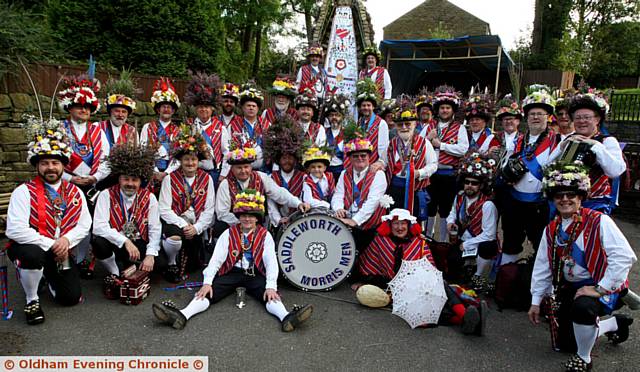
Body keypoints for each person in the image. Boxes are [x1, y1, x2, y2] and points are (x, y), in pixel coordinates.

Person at [152, 190, 313, 331]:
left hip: (254, 273)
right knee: (208, 291)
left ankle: (286, 317)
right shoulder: (229, 233)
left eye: (251, 216)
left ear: (257, 218)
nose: (247, 219)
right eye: (243, 215)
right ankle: (182, 315)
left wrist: (271, 285)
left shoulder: (265, 236)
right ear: (238, 216)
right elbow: (216, 260)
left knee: (269, 294)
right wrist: (207, 282)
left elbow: (271, 262)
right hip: (231, 272)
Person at [529, 162, 636, 372]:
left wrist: (599, 289)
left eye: (571, 194)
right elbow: (542, 266)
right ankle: (615, 323)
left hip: (600, 285)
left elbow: (624, 257)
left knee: (583, 310)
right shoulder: (552, 229)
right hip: (570, 286)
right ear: (552, 199)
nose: (565, 199)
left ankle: (584, 358)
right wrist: (535, 300)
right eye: (559, 195)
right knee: (566, 343)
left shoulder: (599, 221)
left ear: (580, 197)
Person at [6, 117, 91, 324]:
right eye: (44, 163)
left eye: (55, 162)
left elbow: (84, 224)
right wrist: (52, 243)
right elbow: (15, 230)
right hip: (35, 248)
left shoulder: (75, 191)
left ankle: (46, 276)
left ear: (63, 165)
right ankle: (31, 299)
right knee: (33, 255)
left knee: (70, 298)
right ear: (37, 166)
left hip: (61, 249)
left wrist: (66, 241)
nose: (50, 167)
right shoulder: (23, 192)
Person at [352, 209, 487, 335]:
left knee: (439, 285)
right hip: (394, 289)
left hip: (420, 282)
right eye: (396, 224)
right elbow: (369, 264)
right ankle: (468, 320)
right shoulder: (380, 241)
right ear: (389, 225)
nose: (400, 228)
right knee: (421, 312)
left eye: (403, 223)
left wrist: (420, 281)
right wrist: (363, 281)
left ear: (409, 225)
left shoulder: (419, 242)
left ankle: (465, 317)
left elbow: (430, 269)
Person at [500, 85, 560, 266]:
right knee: (510, 242)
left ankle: (536, 286)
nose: (535, 117)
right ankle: (504, 279)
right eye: (532, 113)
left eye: (540, 113)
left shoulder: (556, 141)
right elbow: (505, 164)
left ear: (548, 117)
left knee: (541, 244)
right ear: (526, 117)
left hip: (539, 204)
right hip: (514, 201)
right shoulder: (518, 139)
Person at [57, 74, 108, 277]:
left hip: (91, 185)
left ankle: (80, 261)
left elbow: (107, 160)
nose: (84, 110)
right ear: (69, 107)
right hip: (64, 185)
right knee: (62, 223)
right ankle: (61, 259)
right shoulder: (59, 129)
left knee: (86, 225)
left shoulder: (97, 131)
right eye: (79, 106)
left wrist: (95, 178)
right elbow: (50, 162)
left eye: (87, 107)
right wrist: (70, 179)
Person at [92, 143, 162, 288]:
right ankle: (114, 271)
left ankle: (131, 267)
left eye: (134, 180)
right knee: (99, 243)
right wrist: (125, 241)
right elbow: (98, 227)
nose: (130, 183)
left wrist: (150, 255)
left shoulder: (150, 198)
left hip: (139, 242)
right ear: (119, 178)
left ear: (140, 180)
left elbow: (155, 228)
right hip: (117, 243)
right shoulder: (106, 194)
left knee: (160, 265)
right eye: (126, 179)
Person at [158, 126, 215, 283]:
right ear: (180, 161)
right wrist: (183, 225)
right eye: (186, 159)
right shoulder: (169, 179)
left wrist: (196, 228)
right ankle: (171, 263)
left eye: (193, 159)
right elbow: (164, 209)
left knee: (193, 266)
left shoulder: (207, 179)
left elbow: (209, 210)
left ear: (198, 161)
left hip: (196, 224)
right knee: (175, 238)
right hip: (177, 222)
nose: (190, 163)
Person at [213, 146, 310, 236]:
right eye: (239, 168)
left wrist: (298, 203)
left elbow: (280, 194)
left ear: (251, 167)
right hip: (234, 227)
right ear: (232, 169)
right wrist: (245, 222)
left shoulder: (261, 177)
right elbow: (222, 214)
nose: (243, 171)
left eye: (246, 167)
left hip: (259, 226)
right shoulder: (225, 185)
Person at [565, 92, 626, 214]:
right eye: (577, 118)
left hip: (595, 203)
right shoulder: (569, 140)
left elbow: (616, 171)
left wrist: (595, 145)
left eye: (587, 117)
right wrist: (561, 148)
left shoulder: (607, 141)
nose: (582, 121)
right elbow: (549, 168)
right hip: (567, 203)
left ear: (597, 119)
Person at [445, 152, 499, 290]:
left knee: (489, 246)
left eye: (474, 183)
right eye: (467, 182)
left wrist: (468, 244)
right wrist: (450, 223)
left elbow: (490, 234)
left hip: (479, 242)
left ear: (481, 185)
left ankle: (478, 275)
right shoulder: (460, 197)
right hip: (462, 238)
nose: (469, 186)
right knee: (451, 269)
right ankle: (467, 268)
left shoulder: (488, 205)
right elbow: (451, 213)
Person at [422, 85, 468, 242]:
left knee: (445, 209)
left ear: (453, 110)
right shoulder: (429, 126)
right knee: (429, 207)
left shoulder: (459, 128)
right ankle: (427, 238)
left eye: (448, 108)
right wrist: (428, 138)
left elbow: (463, 149)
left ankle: (442, 242)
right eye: (442, 108)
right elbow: (418, 145)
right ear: (438, 110)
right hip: (430, 175)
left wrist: (440, 145)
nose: (445, 111)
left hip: (448, 175)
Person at [332, 136, 389, 251]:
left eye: (363, 155)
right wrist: (338, 208)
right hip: (348, 225)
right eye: (355, 156)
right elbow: (338, 195)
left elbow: (373, 201)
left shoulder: (378, 175)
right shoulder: (344, 174)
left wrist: (355, 220)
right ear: (350, 158)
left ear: (369, 157)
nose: (360, 158)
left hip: (370, 228)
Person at [385, 100, 437, 219]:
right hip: (394, 190)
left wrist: (420, 173)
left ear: (414, 124)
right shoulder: (391, 143)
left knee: (414, 222)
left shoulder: (424, 143)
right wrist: (378, 163)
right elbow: (384, 161)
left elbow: (433, 165)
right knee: (394, 220)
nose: (404, 127)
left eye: (408, 124)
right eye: (400, 124)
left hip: (415, 189)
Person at [184, 72, 230, 186]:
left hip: (214, 173)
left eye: (206, 107)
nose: (203, 109)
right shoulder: (188, 127)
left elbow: (227, 153)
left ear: (212, 109)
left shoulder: (221, 128)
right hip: (193, 173)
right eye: (200, 107)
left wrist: (223, 174)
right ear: (195, 108)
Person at [263, 116, 307, 228]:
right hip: (279, 223)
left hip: (300, 220)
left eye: (290, 158)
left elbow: (305, 199)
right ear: (278, 159)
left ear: (296, 159)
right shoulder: (271, 177)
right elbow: (271, 204)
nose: (287, 161)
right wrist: (278, 220)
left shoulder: (304, 177)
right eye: (284, 158)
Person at [97, 73, 140, 190]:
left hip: (123, 176)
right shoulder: (98, 127)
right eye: (117, 111)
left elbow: (136, 153)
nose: (120, 115)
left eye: (124, 112)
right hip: (101, 175)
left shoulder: (132, 131)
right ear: (110, 112)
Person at [140, 77, 181, 182]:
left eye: (169, 107)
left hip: (171, 172)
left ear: (173, 111)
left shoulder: (179, 131)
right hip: (150, 171)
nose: (166, 109)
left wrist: (167, 172)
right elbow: (143, 151)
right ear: (158, 110)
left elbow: (180, 155)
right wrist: (155, 171)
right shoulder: (147, 127)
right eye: (163, 107)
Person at [347, 77, 389, 172]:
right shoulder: (359, 121)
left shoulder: (381, 123)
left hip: (375, 164)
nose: (366, 108)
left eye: (368, 105)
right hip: (361, 162)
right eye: (363, 105)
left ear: (373, 107)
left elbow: (383, 147)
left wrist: (380, 163)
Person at [228, 82, 271, 171]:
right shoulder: (234, 124)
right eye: (248, 105)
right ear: (243, 108)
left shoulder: (266, 124)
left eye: (254, 106)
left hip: (262, 168)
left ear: (258, 109)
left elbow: (271, 146)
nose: (251, 108)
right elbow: (230, 147)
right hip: (241, 168)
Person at [322, 93, 350, 182]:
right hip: (325, 170)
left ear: (342, 117)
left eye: (337, 115)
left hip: (342, 170)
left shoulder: (347, 133)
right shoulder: (322, 131)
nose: (334, 118)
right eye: (331, 115)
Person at [295, 83, 326, 147]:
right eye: (303, 109)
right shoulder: (291, 126)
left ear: (312, 113)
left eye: (308, 109)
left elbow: (321, 149)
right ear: (297, 111)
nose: (305, 112)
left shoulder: (319, 128)